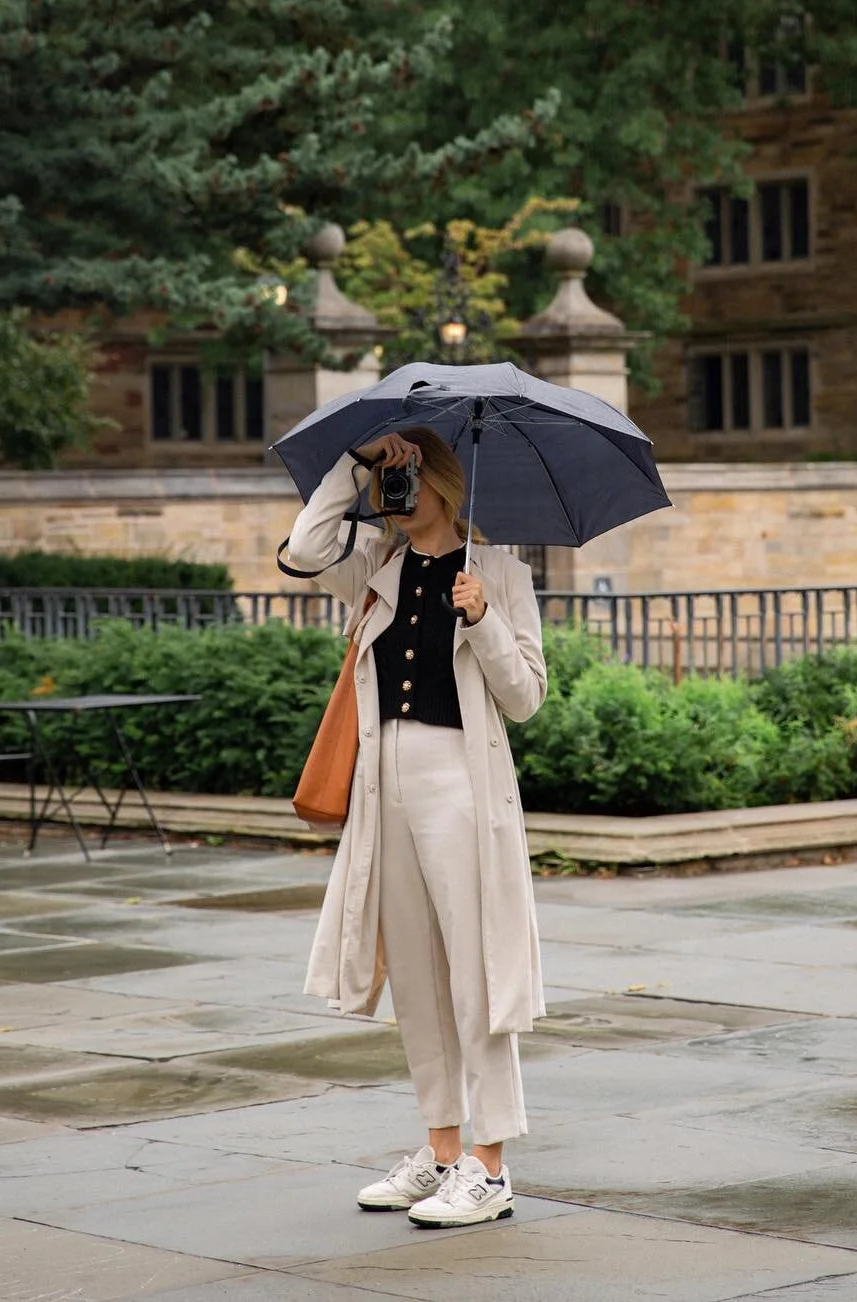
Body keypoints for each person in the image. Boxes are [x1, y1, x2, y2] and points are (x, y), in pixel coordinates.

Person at [283, 426, 547, 1228]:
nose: (398, 497)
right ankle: (440, 1153)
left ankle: (491, 1166)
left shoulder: (499, 571)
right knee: (419, 980)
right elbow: (302, 548)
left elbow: (527, 697)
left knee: (476, 971)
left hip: (461, 784)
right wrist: (355, 464)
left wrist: (484, 620)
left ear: (441, 483)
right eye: (390, 482)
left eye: (407, 479)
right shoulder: (374, 565)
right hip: (383, 781)